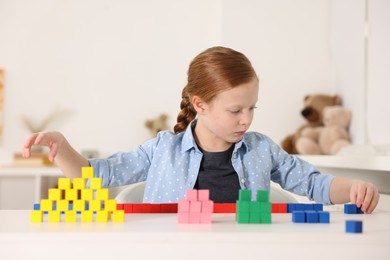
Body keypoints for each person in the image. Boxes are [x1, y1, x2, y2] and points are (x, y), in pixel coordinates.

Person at [22, 46, 379, 213]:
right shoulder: (163, 149)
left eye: (252, 108)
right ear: (200, 105)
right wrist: (62, 146)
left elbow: (314, 183)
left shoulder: (261, 149)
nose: (247, 119)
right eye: (236, 110)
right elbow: (92, 176)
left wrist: (356, 188)